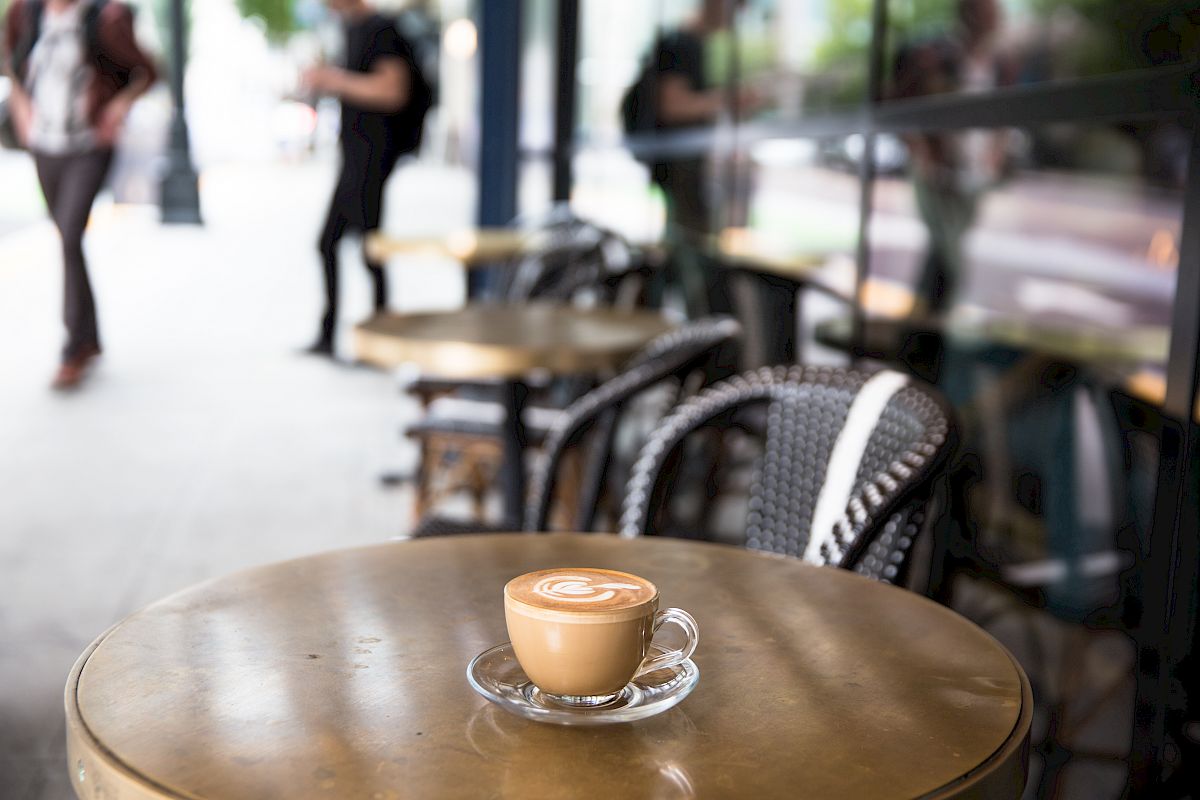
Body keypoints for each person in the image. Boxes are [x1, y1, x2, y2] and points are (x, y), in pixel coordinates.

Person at [2, 0, 156, 389]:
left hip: (89, 144)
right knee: (68, 241)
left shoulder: (105, 16)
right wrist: (20, 104)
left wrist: (119, 105)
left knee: (70, 235)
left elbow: (149, 72)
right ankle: (88, 338)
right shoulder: (25, 12)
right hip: (44, 143)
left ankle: (73, 347)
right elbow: (11, 60)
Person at [302, 0, 432, 356]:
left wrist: (335, 80)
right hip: (356, 158)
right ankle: (352, 333)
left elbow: (393, 91)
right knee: (352, 245)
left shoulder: (380, 29)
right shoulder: (352, 28)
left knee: (362, 248)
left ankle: (375, 336)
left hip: (372, 159)